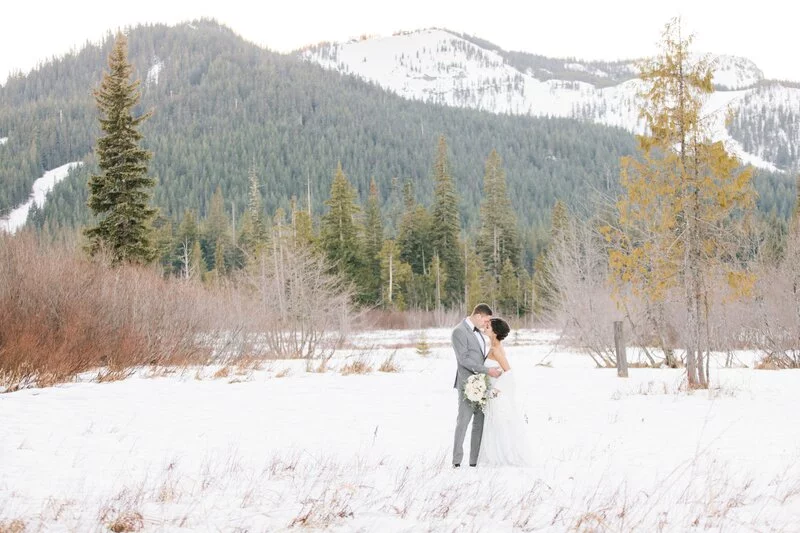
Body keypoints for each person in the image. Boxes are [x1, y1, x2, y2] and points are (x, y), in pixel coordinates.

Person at [478, 317, 534, 467]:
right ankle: (493, 455)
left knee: (500, 425)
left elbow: (508, 372)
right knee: (495, 425)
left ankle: (504, 457)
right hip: (491, 390)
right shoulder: (493, 347)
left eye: (488, 326)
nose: (485, 327)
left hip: (496, 394)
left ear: (495, 332)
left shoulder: (496, 350)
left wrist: (495, 391)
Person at [451, 303, 502, 467]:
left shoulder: (480, 333)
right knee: (463, 422)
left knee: (479, 423)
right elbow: (463, 359)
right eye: (486, 320)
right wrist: (487, 371)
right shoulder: (459, 331)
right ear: (478, 315)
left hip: (482, 384)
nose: (486, 324)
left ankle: (474, 461)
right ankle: (457, 461)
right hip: (467, 384)